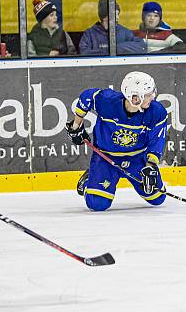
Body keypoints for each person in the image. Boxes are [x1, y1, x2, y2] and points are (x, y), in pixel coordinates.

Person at [65, 71, 168, 211]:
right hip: (106, 158)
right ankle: (91, 178)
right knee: (97, 204)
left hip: (137, 159)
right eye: (148, 95)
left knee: (157, 198)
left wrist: (151, 166)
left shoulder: (157, 111)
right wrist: (76, 124)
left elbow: (157, 141)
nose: (152, 97)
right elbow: (86, 97)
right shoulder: (107, 101)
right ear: (135, 98)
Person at [79, 0, 147, 55]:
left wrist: (116, 49)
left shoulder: (124, 31)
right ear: (104, 16)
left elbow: (141, 46)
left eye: (118, 14)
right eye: (114, 14)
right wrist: (109, 51)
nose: (117, 17)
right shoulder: (90, 34)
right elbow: (84, 52)